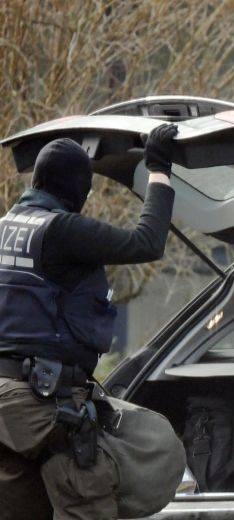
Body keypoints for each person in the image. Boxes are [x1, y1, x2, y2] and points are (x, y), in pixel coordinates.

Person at [0, 124, 184, 520]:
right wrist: (158, 169)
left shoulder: (3, 230)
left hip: (6, 408)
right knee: (90, 497)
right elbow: (146, 242)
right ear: (76, 192)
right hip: (44, 406)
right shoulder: (61, 229)